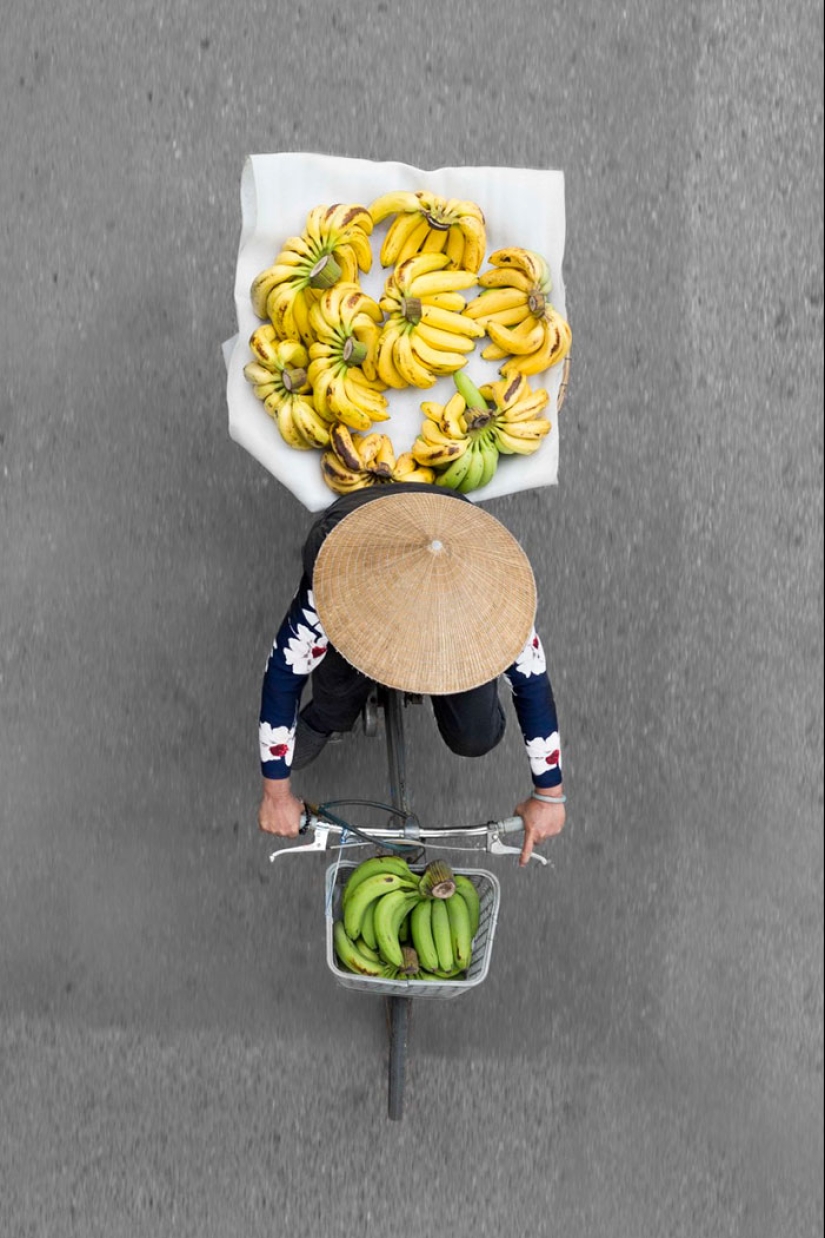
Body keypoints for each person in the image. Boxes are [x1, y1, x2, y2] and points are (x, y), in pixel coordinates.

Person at [256, 484, 565, 866]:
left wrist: (549, 795)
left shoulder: (493, 597)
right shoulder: (337, 585)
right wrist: (276, 792)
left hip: (447, 521)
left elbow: (532, 685)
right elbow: (283, 673)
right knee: (335, 698)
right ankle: (331, 714)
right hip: (361, 533)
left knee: (475, 735)